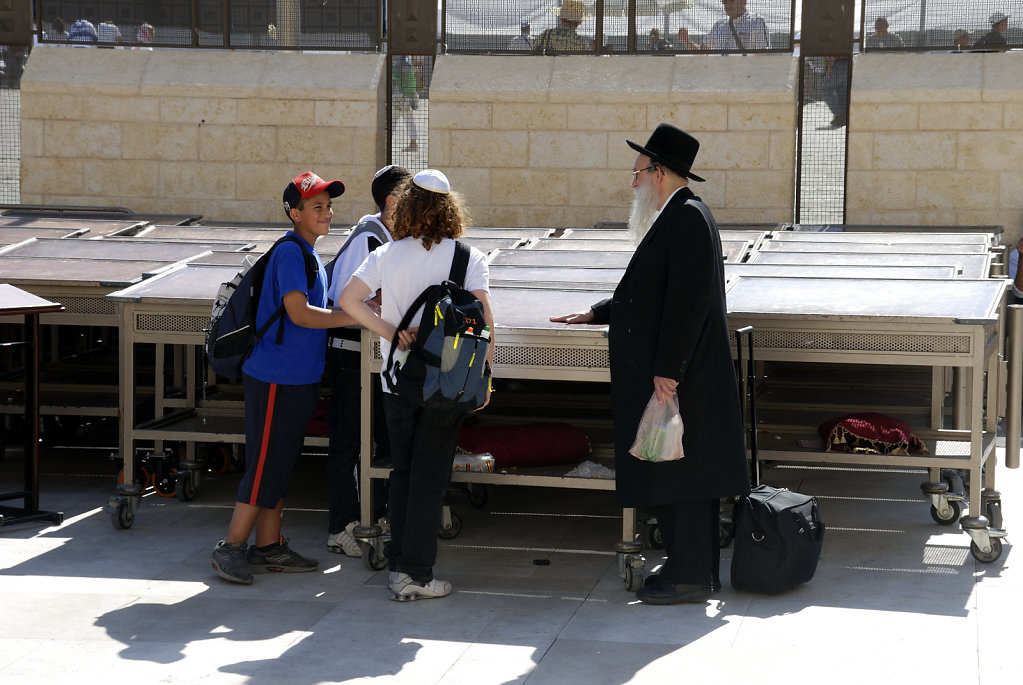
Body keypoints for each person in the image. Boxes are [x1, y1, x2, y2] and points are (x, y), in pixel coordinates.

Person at [550, 125, 749, 605]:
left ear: (659, 173)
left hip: (680, 379)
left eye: (638, 172)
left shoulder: (686, 218)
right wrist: (600, 311)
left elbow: (688, 302)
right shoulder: (677, 216)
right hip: (674, 375)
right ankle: (686, 566)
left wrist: (668, 369)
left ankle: (690, 577)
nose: (633, 182)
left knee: (683, 477)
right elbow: (649, 292)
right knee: (671, 472)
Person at [339, 169, 494, 602]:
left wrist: (390, 332)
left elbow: (348, 301)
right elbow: (484, 323)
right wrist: (486, 378)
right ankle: (416, 574)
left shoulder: (388, 254)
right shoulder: (469, 258)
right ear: (450, 209)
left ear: (405, 205)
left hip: (399, 381)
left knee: (404, 471)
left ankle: (399, 565)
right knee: (431, 477)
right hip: (448, 383)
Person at [210, 171, 360, 585]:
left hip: (296, 376)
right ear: (294, 213)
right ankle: (231, 547)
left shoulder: (307, 253)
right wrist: (359, 316)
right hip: (277, 376)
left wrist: (362, 304)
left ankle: (268, 545)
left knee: (278, 462)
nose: (327, 212)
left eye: (328, 206)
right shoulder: (292, 253)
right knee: (264, 466)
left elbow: (315, 308)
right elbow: (299, 313)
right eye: (317, 207)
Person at [324, 164, 412, 558]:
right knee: (350, 443)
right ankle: (342, 526)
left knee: (375, 441)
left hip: (376, 359)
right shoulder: (368, 237)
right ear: (393, 201)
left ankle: (374, 516)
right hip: (350, 357)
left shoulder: (394, 236)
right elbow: (341, 295)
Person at [703, 0, 770, 53]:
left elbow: (762, 55)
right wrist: (692, 45)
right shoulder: (718, 26)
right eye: (724, 1)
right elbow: (701, 51)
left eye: (732, 0)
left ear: (744, 1)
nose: (728, 5)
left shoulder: (757, 22)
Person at [393, 56, 419, 152]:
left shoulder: (397, 67)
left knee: (393, 120)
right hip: (409, 96)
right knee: (409, 120)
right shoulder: (409, 67)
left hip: (399, 97)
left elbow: (393, 76)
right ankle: (413, 142)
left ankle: (386, 142)